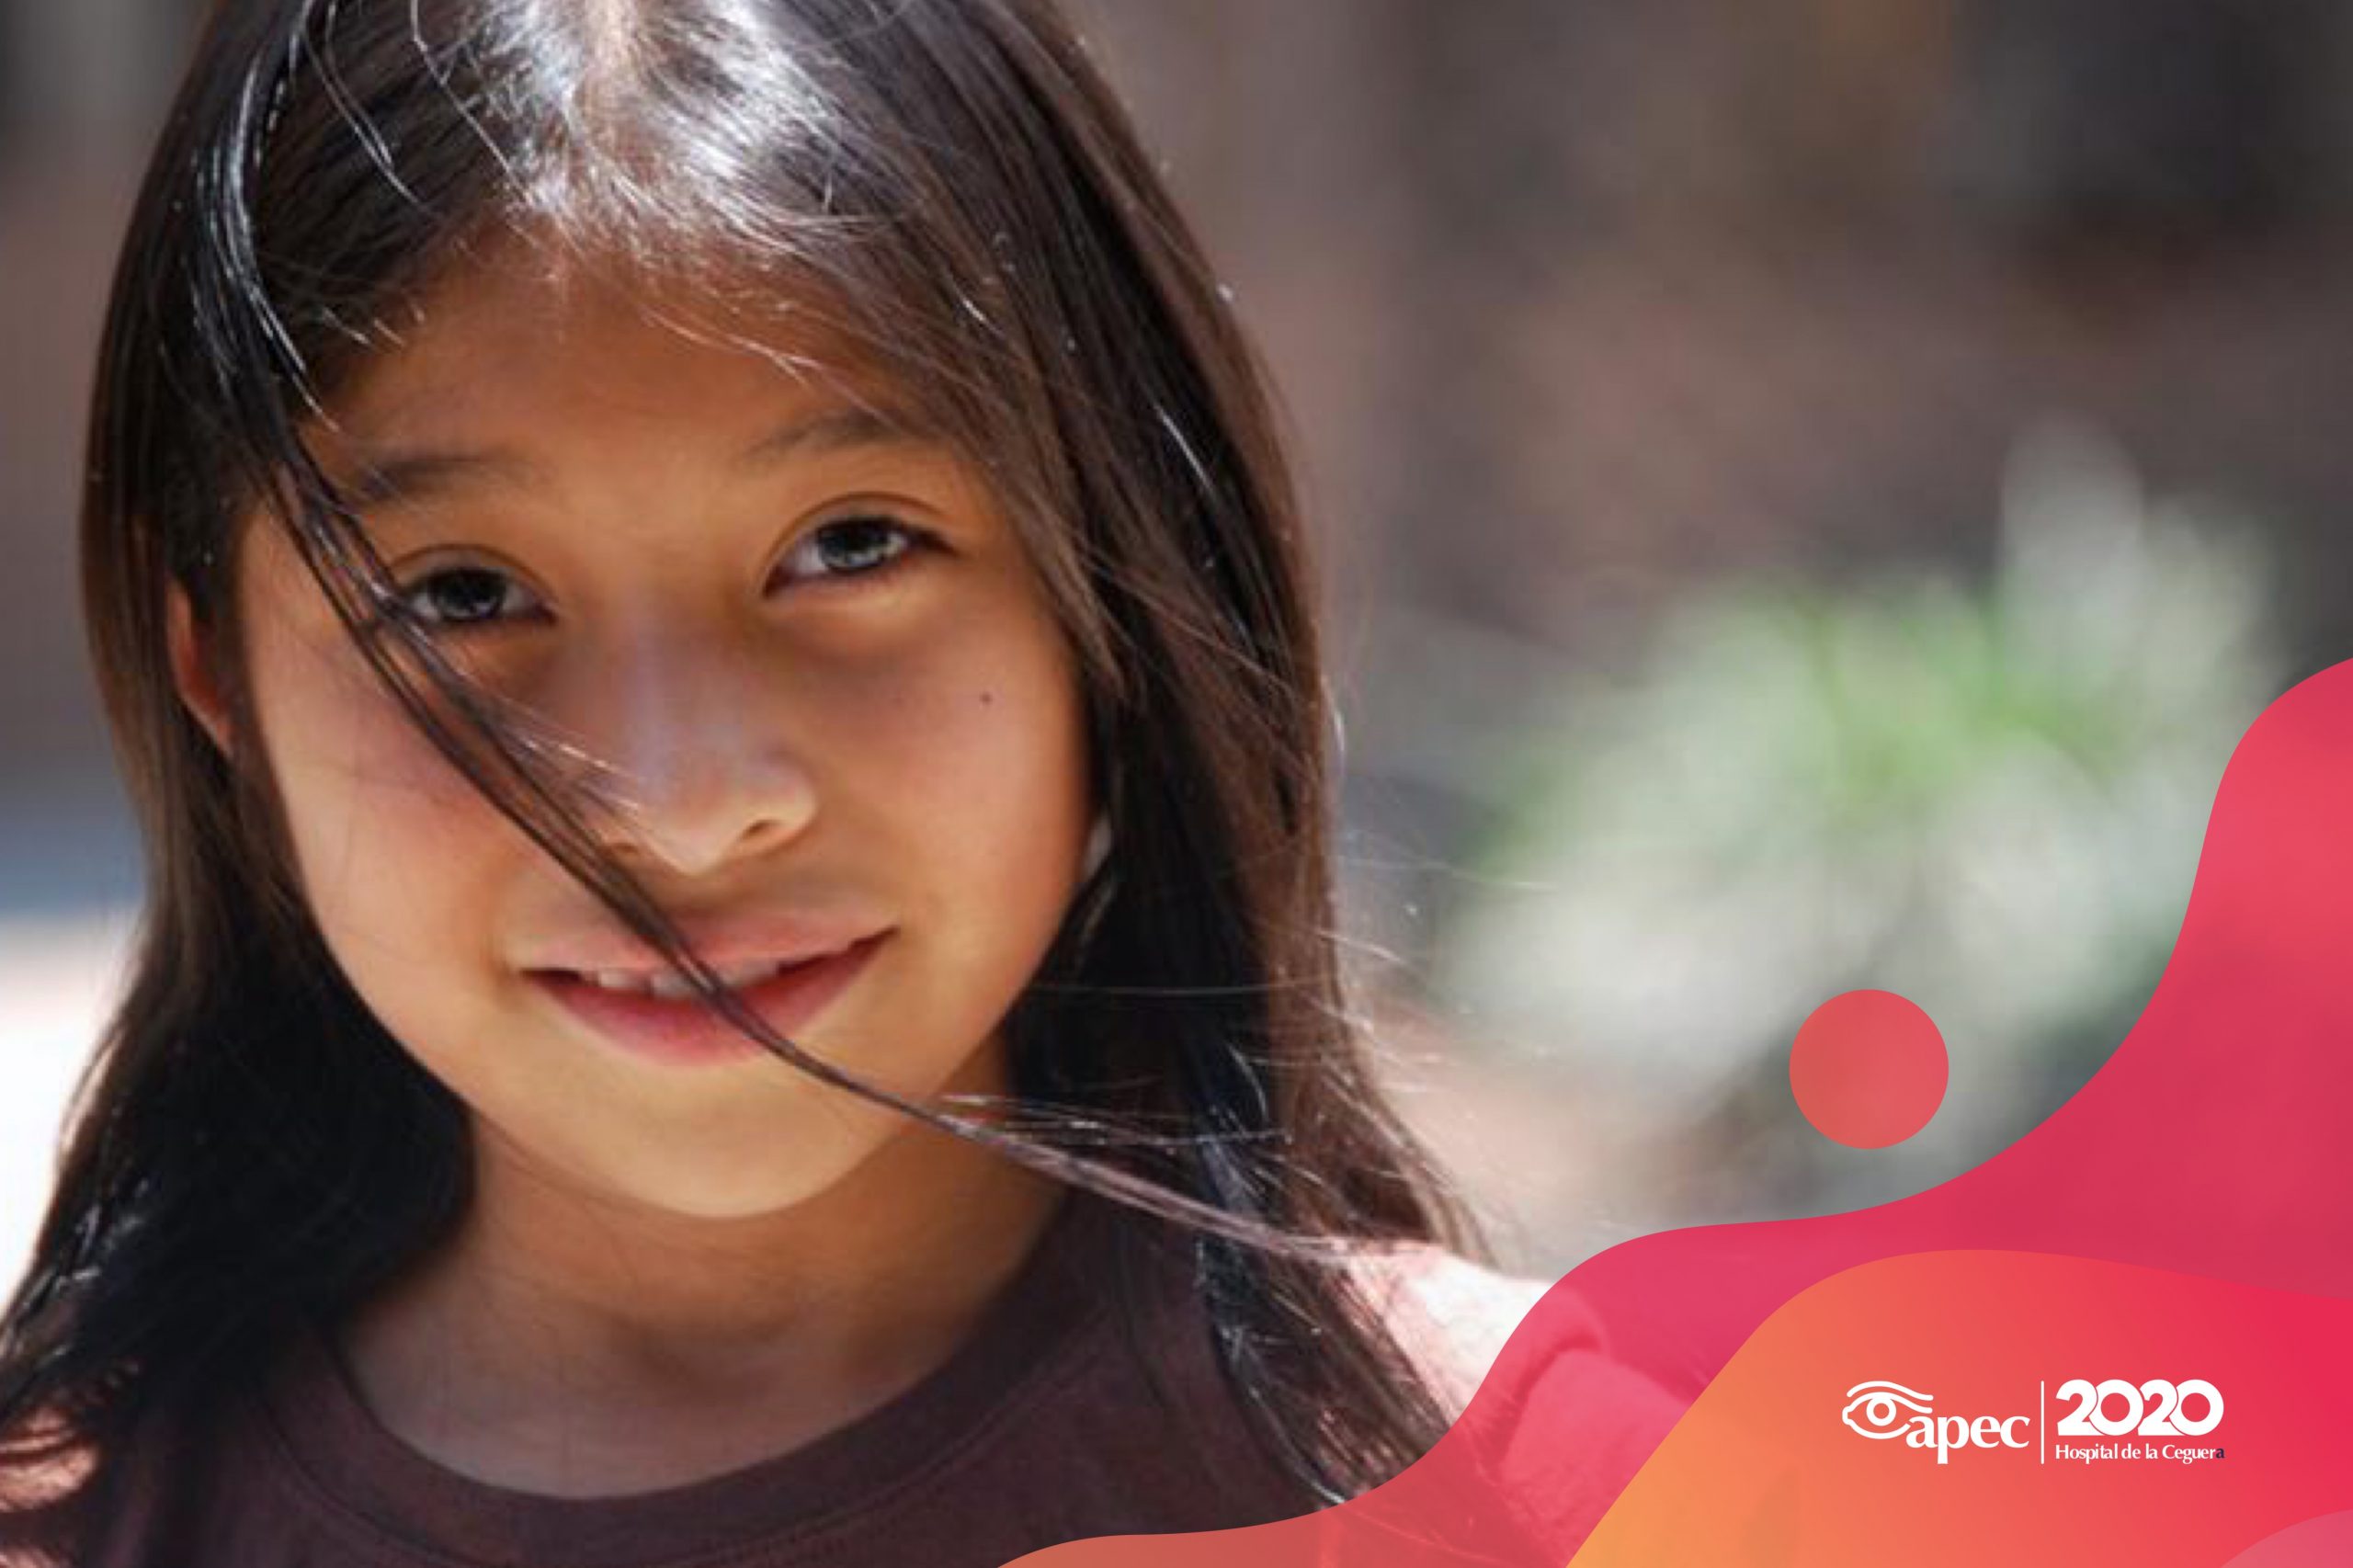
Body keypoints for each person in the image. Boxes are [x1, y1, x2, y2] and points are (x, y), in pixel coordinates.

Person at [0, 1, 1647, 1562]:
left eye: (850, 546)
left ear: (1130, 591)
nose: (680, 805)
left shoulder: (1546, 1491)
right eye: (461, 596)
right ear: (213, 661)